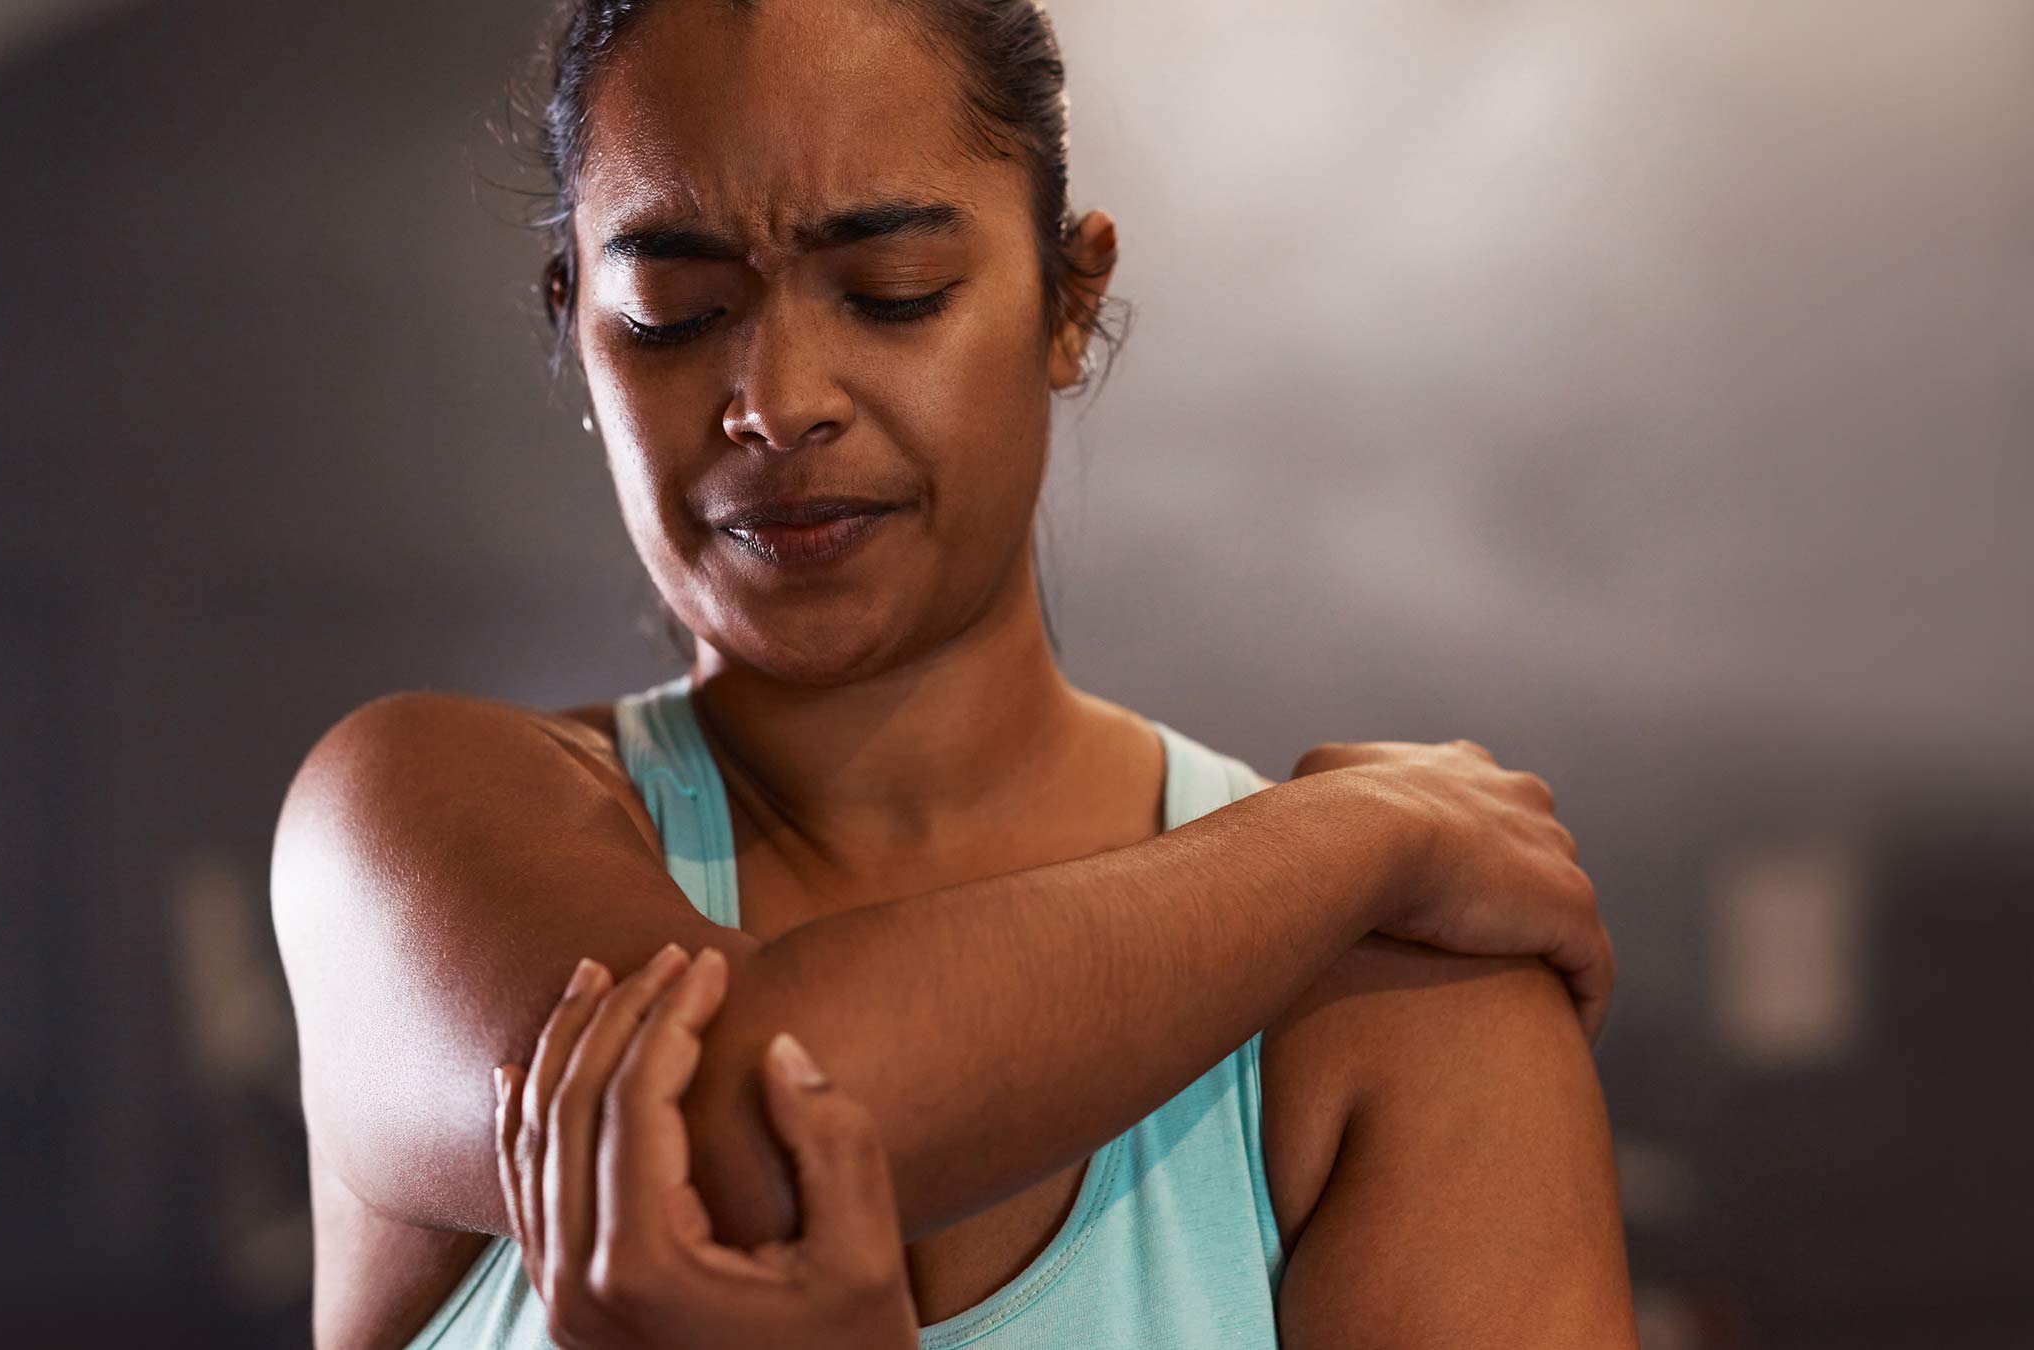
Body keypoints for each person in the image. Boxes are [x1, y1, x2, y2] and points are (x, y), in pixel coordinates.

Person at [269, 0, 1636, 1346]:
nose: (779, 397)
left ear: (1070, 301)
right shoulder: (407, 824)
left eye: (893, 293)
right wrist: (1356, 834)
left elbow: (745, 1139)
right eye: (675, 312)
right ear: (577, 326)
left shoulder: (1409, 1014)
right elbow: (721, 1131)